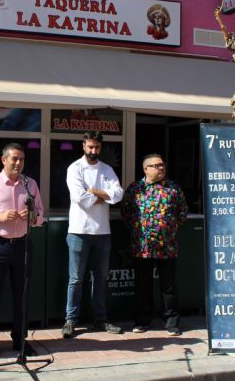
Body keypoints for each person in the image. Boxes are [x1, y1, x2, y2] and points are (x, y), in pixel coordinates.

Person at [0, 143, 45, 361]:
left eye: (22, 159)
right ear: (3, 160)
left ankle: (20, 340)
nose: (18, 163)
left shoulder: (30, 184)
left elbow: (40, 214)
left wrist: (32, 216)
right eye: (14, 159)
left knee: (22, 296)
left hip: (22, 244)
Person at [62, 130, 124, 338]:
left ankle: (101, 319)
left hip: (103, 231)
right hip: (79, 231)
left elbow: (118, 194)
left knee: (101, 278)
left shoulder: (107, 169)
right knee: (76, 279)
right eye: (90, 146)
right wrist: (105, 197)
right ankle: (70, 320)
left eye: (96, 147)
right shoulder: (75, 168)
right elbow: (79, 197)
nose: (93, 151)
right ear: (83, 146)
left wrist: (96, 192)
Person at [121, 154, 188, 335]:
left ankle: (171, 323)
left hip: (167, 245)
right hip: (142, 246)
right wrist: (138, 230)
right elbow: (126, 212)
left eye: (162, 165)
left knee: (168, 285)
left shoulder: (173, 188)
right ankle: (142, 321)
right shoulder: (135, 188)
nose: (161, 168)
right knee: (143, 285)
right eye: (157, 165)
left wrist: (168, 228)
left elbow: (182, 212)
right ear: (146, 169)